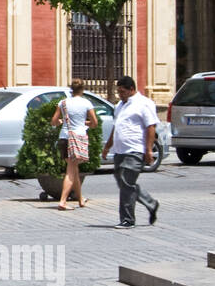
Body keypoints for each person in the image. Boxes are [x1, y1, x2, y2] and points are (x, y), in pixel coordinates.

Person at [100, 75, 161, 227]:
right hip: (121, 150)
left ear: (131, 89)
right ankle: (151, 203)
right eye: (118, 91)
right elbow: (116, 127)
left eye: (122, 91)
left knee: (126, 182)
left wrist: (148, 150)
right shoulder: (120, 105)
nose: (119, 94)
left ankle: (127, 220)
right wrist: (108, 146)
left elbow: (151, 127)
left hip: (135, 149)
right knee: (124, 182)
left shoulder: (143, 104)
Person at [50, 78, 98, 211]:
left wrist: (60, 122)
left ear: (71, 89)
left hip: (64, 138)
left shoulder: (63, 102)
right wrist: (85, 123)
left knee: (74, 168)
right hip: (78, 137)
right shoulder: (86, 103)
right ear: (82, 89)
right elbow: (94, 123)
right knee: (71, 171)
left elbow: (53, 121)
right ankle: (63, 201)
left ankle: (80, 199)